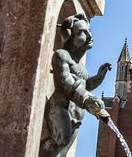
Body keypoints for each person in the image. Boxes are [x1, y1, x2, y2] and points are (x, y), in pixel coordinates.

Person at [40, 14, 111, 157]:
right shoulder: (62, 55)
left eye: (88, 30)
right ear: (70, 38)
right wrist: (86, 99)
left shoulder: (80, 66)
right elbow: (66, 83)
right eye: (81, 33)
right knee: (60, 140)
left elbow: (86, 85)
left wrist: (99, 76)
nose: (89, 35)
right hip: (60, 109)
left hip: (77, 116)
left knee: (62, 153)